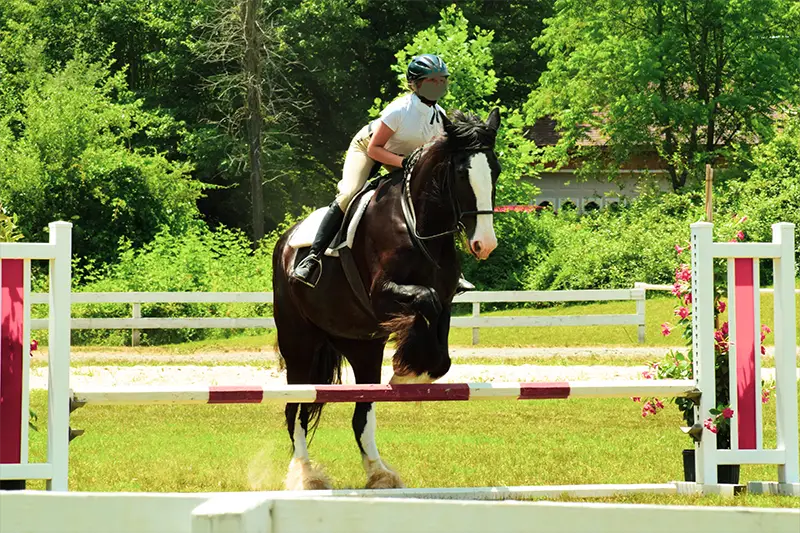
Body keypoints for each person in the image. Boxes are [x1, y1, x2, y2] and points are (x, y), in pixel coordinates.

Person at [292, 54, 476, 294]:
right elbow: (374, 148)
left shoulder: (440, 116)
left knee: (435, 202)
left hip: (404, 158)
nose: (438, 85)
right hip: (370, 148)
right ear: (415, 84)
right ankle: (313, 258)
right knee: (349, 194)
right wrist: (403, 163)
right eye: (432, 81)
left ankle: (452, 271)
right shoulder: (400, 109)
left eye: (442, 80)